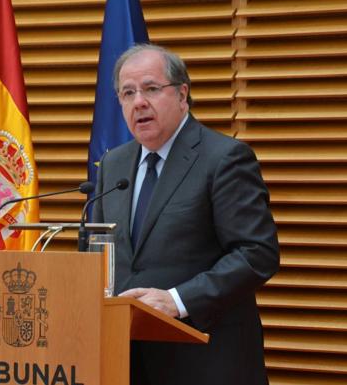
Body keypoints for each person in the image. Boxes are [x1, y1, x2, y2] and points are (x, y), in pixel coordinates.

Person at [91, 44, 280, 385]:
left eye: (150, 89)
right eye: (127, 93)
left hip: (206, 360)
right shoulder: (113, 165)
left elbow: (257, 254)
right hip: (124, 361)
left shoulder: (224, 158)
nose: (139, 103)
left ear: (182, 95)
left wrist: (177, 300)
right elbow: (95, 250)